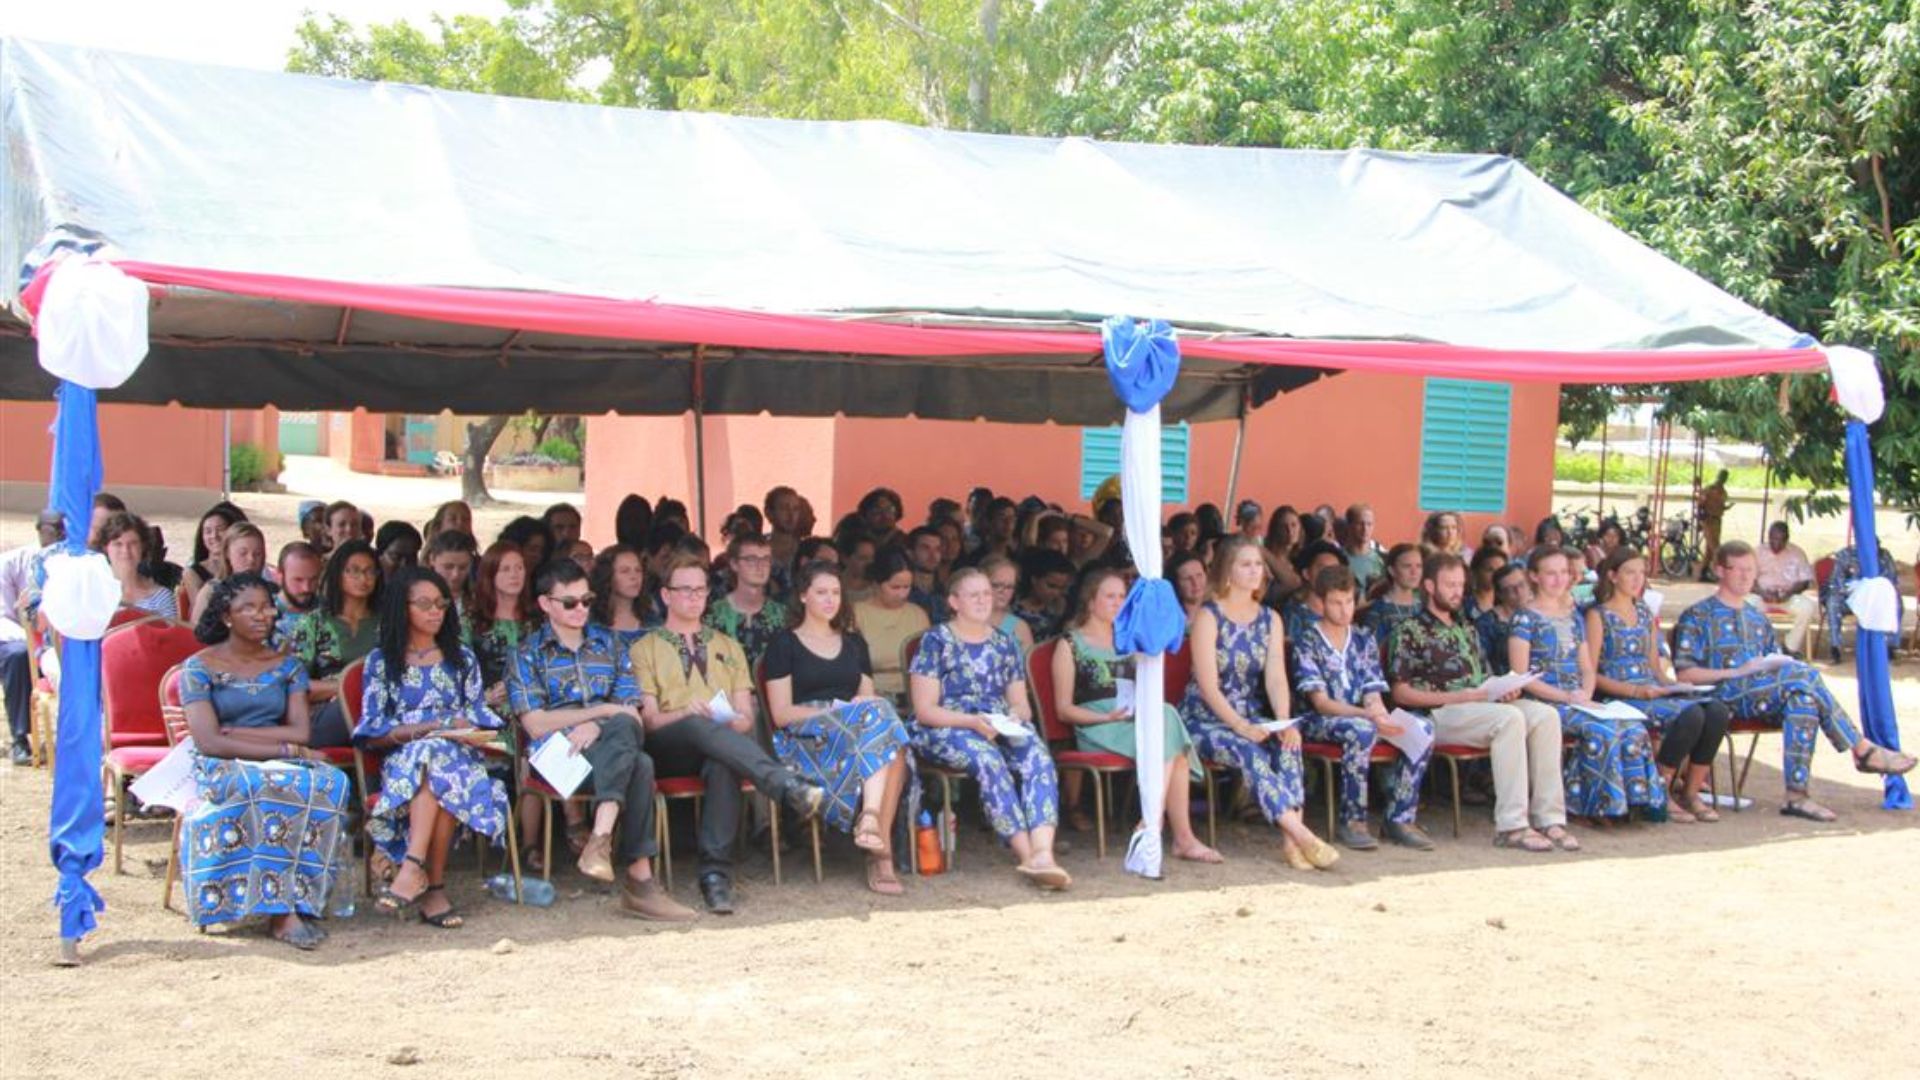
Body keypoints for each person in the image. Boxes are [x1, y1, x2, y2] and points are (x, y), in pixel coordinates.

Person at [630, 556, 826, 913]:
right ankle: (783, 784)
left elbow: (744, 720)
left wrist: (727, 720)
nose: (694, 597)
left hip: (718, 742)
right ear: (666, 595)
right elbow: (650, 721)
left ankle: (715, 876)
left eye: (701, 589)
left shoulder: (728, 645)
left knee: (723, 763)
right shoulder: (644, 648)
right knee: (694, 725)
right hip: (668, 745)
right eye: (684, 590)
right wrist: (687, 712)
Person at [1674, 542, 1913, 820]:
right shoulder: (1697, 615)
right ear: (1719, 571)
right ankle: (1861, 748)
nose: (1743, 576)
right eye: (1736, 569)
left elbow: (1772, 663)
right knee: (1806, 675)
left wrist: (1771, 665)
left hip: (1763, 695)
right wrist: (1735, 673)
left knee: (1804, 701)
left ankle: (1796, 796)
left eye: (1750, 570)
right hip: (1720, 696)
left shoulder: (1756, 618)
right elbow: (1685, 674)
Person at [509, 559, 693, 920]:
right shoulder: (526, 653)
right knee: (638, 761)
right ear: (546, 604)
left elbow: (630, 711)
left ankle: (601, 838)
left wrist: (605, 721)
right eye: (569, 602)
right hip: (556, 758)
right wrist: (598, 715)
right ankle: (638, 882)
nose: (581, 609)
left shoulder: (610, 644)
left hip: (609, 750)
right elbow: (535, 724)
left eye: (586, 600)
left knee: (637, 756)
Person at [177, 574, 350, 949]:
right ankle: (278, 910)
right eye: (248, 608)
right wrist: (281, 749)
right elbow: (207, 740)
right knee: (262, 785)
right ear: (226, 616)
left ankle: (302, 898)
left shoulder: (287, 668)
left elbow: (300, 732)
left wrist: (238, 735)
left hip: (273, 757)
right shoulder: (198, 667)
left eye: (266, 606)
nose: (262, 615)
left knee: (331, 782)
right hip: (220, 764)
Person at [353, 568, 510, 929]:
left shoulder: (462, 660)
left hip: (461, 760)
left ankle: (412, 868)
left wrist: (457, 729)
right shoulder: (381, 663)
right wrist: (430, 729)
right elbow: (373, 731)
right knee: (432, 760)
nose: (435, 611)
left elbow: (479, 718)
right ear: (401, 608)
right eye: (424, 604)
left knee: (440, 761)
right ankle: (433, 888)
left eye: (441, 604)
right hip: (403, 761)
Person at [1389, 553, 1573, 853]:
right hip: (1440, 713)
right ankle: (1513, 826)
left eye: (1461, 584)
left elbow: (1484, 679)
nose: (1457, 591)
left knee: (1544, 715)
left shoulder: (1467, 628)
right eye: (1449, 584)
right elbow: (1401, 693)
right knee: (1509, 720)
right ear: (1430, 586)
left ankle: (1549, 818)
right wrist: (1460, 696)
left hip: (1480, 705)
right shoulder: (1409, 630)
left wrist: (1504, 690)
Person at [1180, 538, 1337, 870]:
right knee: (1247, 749)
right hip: (1205, 718)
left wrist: (1283, 720)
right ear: (1227, 572)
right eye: (1246, 564)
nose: (1255, 571)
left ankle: (1290, 844)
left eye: (1258, 564)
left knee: (1289, 745)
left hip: (1251, 714)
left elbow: (1276, 678)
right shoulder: (1209, 617)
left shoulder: (1270, 619)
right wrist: (1239, 726)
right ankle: (1302, 834)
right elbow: (1208, 686)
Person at [908, 568, 1070, 890]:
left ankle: (1043, 852)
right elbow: (925, 710)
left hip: (996, 723)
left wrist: (1011, 718)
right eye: (973, 594)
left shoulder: (1004, 642)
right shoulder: (936, 640)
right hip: (948, 726)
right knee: (988, 759)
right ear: (954, 601)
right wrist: (972, 722)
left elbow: (1021, 704)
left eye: (987, 593)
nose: (983, 600)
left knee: (1037, 755)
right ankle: (1026, 855)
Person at [762, 563, 916, 894]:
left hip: (856, 731)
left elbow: (866, 700)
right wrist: (832, 711)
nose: (830, 600)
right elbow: (781, 713)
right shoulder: (784, 644)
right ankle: (879, 849)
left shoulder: (854, 643)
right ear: (803, 596)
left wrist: (851, 712)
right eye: (821, 592)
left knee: (888, 735)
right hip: (805, 736)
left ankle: (874, 826)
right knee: (892, 743)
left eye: (835, 593)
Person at [1053, 567, 1222, 863]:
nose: (1118, 602)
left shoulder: (1131, 643)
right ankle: (1176, 835)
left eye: (1122, 596)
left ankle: (1156, 825)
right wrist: (1104, 719)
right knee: (1173, 747)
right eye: (1110, 596)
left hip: (1133, 723)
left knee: (1166, 722)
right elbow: (1063, 709)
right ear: (1091, 602)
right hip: (1097, 729)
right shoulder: (1069, 645)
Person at [1290, 565, 1435, 850]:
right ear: (1320, 602)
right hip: (1318, 720)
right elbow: (1321, 702)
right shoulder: (1307, 640)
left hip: (1362, 716)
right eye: (1336, 602)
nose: (1345, 610)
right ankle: (1353, 819)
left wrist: (1380, 714)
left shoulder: (1363, 638)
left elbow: (1372, 691)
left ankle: (1400, 818)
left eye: (1349, 601)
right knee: (1362, 729)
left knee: (1423, 728)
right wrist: (1367, 716)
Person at [1510, 547, 1658, 825]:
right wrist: (1567, 696)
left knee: (1632, 728)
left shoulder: (1573, 616)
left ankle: (1632, 803)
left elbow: (1587, 666)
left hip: (1577, 697)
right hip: (1545, 701)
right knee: (1599, 730)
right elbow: (1521, 674)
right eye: (1550, 573)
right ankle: (1593, 806)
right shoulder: (1524, 618)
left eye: (1564, 573)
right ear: (1534, 576)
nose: (1559, 580)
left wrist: (1586, 695)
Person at [1587, 549, 1731, 823]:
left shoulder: (1643, 612)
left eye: (1641, 573)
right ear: (1613, 576)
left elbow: (1655, 667)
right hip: (1620, 693)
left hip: (1652, 689)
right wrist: (1635, 691)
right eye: (1630, 572)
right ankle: (1660, 789)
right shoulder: (1598, 616)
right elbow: (1592, 674)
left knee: (1715, 711)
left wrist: (1676, 686)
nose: (1637, 579)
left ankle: (1690, 792)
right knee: (1690, 716)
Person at [289, 540, 383, 747]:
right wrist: (343, 689)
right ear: (338, 574)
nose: (363, 578)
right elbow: (294, 685)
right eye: (354, 571)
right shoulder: (313, 623)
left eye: (370, 571)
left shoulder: (388, 623)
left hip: (380, 707)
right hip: (328, 713)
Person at [0, 510, 62, 763]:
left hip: (59, 639)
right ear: (39, 529)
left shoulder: (73, 564)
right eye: (54, 528)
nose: (59, 535)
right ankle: (19, 737)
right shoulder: (11, 562)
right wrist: (30, 639)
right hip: (16, 637)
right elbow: (2, 614)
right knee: (17, 655)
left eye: (63, 529)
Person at [854, 548, 933, 703]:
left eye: (907, 587)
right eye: (895, 587)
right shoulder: (857, 614)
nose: (902, 594)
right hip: (874, 697)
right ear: (876, 583)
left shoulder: (918, 615)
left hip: (915, 697)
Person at [704, 533, 788, 674]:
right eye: (751, 559)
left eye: (766, 559)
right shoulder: (712, 615)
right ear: (734, 564)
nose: (760, 566)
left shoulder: (783, 616)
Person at [1823, 540, 1902, 662]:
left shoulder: (1884, 556)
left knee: (1897, 602)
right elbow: (1836, 582)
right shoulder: (1846, 555)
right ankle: (1835, 647)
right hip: (1851, 599)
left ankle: (1890, 647)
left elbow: (1892, 579)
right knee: (1833, 602)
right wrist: (1853, 589)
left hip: (1876, 600)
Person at [92, 512, 178, 619]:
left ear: (143, 546)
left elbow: (170, 635)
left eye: (133, 543)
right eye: (118, 544)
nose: (125, 550)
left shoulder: (162, 597)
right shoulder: (90, 593)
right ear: (105, 547)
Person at [1754, 521, 1819, 657]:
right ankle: (1755, 647)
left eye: (1780, 540)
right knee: (1745, 606)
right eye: (1773, 539)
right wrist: (1762, 593)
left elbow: (1805, 581)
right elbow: (1748, 580)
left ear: (1787, 539)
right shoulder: (1758, 552)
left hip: (1788, 596)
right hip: (1762, 595)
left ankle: (1790, 647)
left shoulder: (1797, 553)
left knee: (1808, 607)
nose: (1776, 543)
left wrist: (1789, 594)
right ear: (1768, 536)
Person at [188, 522, 270, 624]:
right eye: (243, 553)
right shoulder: (211, 592)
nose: (251, 560)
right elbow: (195, 633)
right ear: (227, 553)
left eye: (257, 554)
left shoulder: (271, 593)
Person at [589, 544, 652, 652]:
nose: (634, 577)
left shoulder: (654, 623)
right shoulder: (591, 623)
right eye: (625, 571)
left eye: (638, 570)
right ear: (608, 576)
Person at [1360, 542, 1424, 645]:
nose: (1414, 572)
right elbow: (1369, 649)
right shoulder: (1379, 610)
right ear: (1392, 571)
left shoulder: (1424, 607)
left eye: (1419, 566)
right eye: (1407, 566)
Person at [180, 502, 248, 599]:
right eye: (208, 531)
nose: (214, 536)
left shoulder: (244, 566)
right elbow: (202, 610)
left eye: (220, 529)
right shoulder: (192, 573)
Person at [1473, 563, 1530, 676]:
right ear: (1500, 594)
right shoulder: (1486, 623)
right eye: (1510, 589)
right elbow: (1482, 662)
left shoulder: (1537, 613)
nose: (1519, 592)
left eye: (1521, 584)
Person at [1010, 548, 1075, 642]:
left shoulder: (1062, 610)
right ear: (1034, 579)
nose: (1056, 592)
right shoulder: (1012, 606)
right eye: (1051, 586)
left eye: (1061, 588)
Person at [979, 555, 1037, 655]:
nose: (1003, 591)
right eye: (996, 585)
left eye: (1009, 587)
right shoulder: (962, 621)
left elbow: (1029, 668)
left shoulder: (1020, 628)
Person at [271, 542, 325, 648]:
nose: (307, 588)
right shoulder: (263, 616)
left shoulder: (330, 612)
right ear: (279, 576)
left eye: (313, 579)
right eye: (298, 580)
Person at [903, 526, 952, 621]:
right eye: (925, 548)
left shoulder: (946, 592)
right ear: (910, 553)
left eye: (937, 549)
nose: (933, 555)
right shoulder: (901, 593)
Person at [423, 529, 478, 612]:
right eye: (448, 567)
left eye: (463, 567)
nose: (455, 574)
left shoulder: (480, 602)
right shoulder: (414, 598)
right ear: (432, 559)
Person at [1341, 504, 1384, 595]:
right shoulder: (1338, 559)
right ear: (1349, 525)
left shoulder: (1381, 560)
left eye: (1369, 524)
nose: (1365, 529)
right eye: (1360, 524)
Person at [1696, 470, 1729, 581]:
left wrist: (1725, 508)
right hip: (1708, 521)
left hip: (1717, 521)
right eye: (1722, 476)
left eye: (1725, 477)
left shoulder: (1723, 492)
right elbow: (1700, 503)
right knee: (1716, 548)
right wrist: (1700, 520)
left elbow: (1721, 505)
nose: (1723, 479)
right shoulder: (1710, 489)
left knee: (1709, 550)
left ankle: (1703, 572)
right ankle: (1718, 573)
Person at [1464, 546, 1509, 624]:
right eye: (1490, 570)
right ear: (1475, 572)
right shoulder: (1465, 606)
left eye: (1501, 570)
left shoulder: (1508, 603)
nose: (1496, 574)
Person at [762, 486, 802, 573]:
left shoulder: (803, 549)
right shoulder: (757, 547)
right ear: (769, 513)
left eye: (795, 509)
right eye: (784, 508)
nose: (791, 515)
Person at [1169, 550, 1209, 626]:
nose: (1195, 583)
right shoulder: (1170, 621)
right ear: (1176, 583)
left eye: (1199, 575)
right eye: (1187, 578)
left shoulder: (1219, 612)